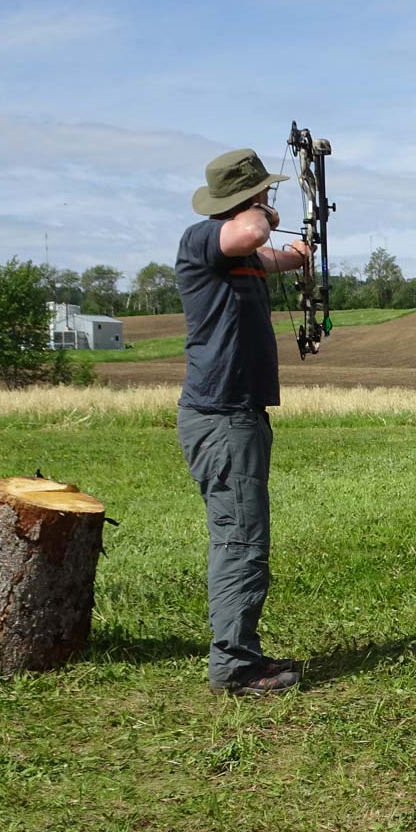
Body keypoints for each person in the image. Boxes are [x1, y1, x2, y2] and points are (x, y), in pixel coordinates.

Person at [175, 148, 309, 695]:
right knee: (240, 541)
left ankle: (241, 653)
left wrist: (298, 255)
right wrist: (265, 213)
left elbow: (263, 255)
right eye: (262, 194)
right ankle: (234, 665)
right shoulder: (202, 238)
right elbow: (251, 234)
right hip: (221, 417)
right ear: (244, 199)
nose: (268, 203)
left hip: (238, 415)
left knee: (243, 535)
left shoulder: (238, 252)